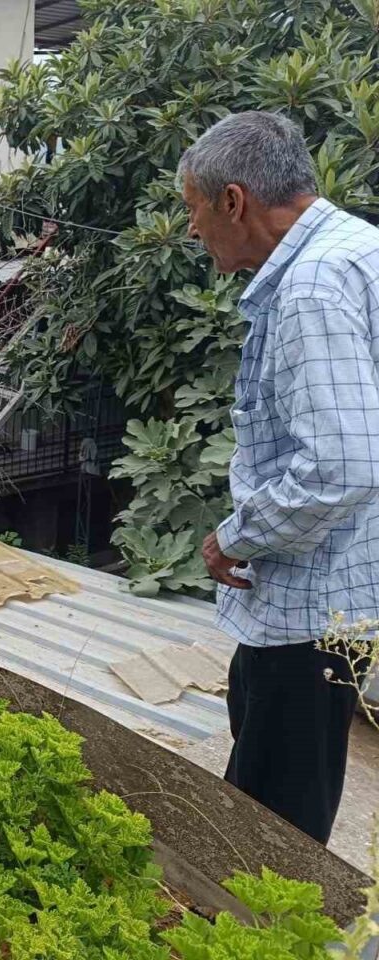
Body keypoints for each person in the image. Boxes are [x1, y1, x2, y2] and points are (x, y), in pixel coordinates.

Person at [182, 111, 378, 843]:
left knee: (272, 824)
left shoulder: (311, 290)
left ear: (233, 201)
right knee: (271, 746)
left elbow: (341, 465)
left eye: (193, 210)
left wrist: (235, 538)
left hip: (316, 602)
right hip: (347, 589)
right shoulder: (358, 248)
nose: (194, 232)